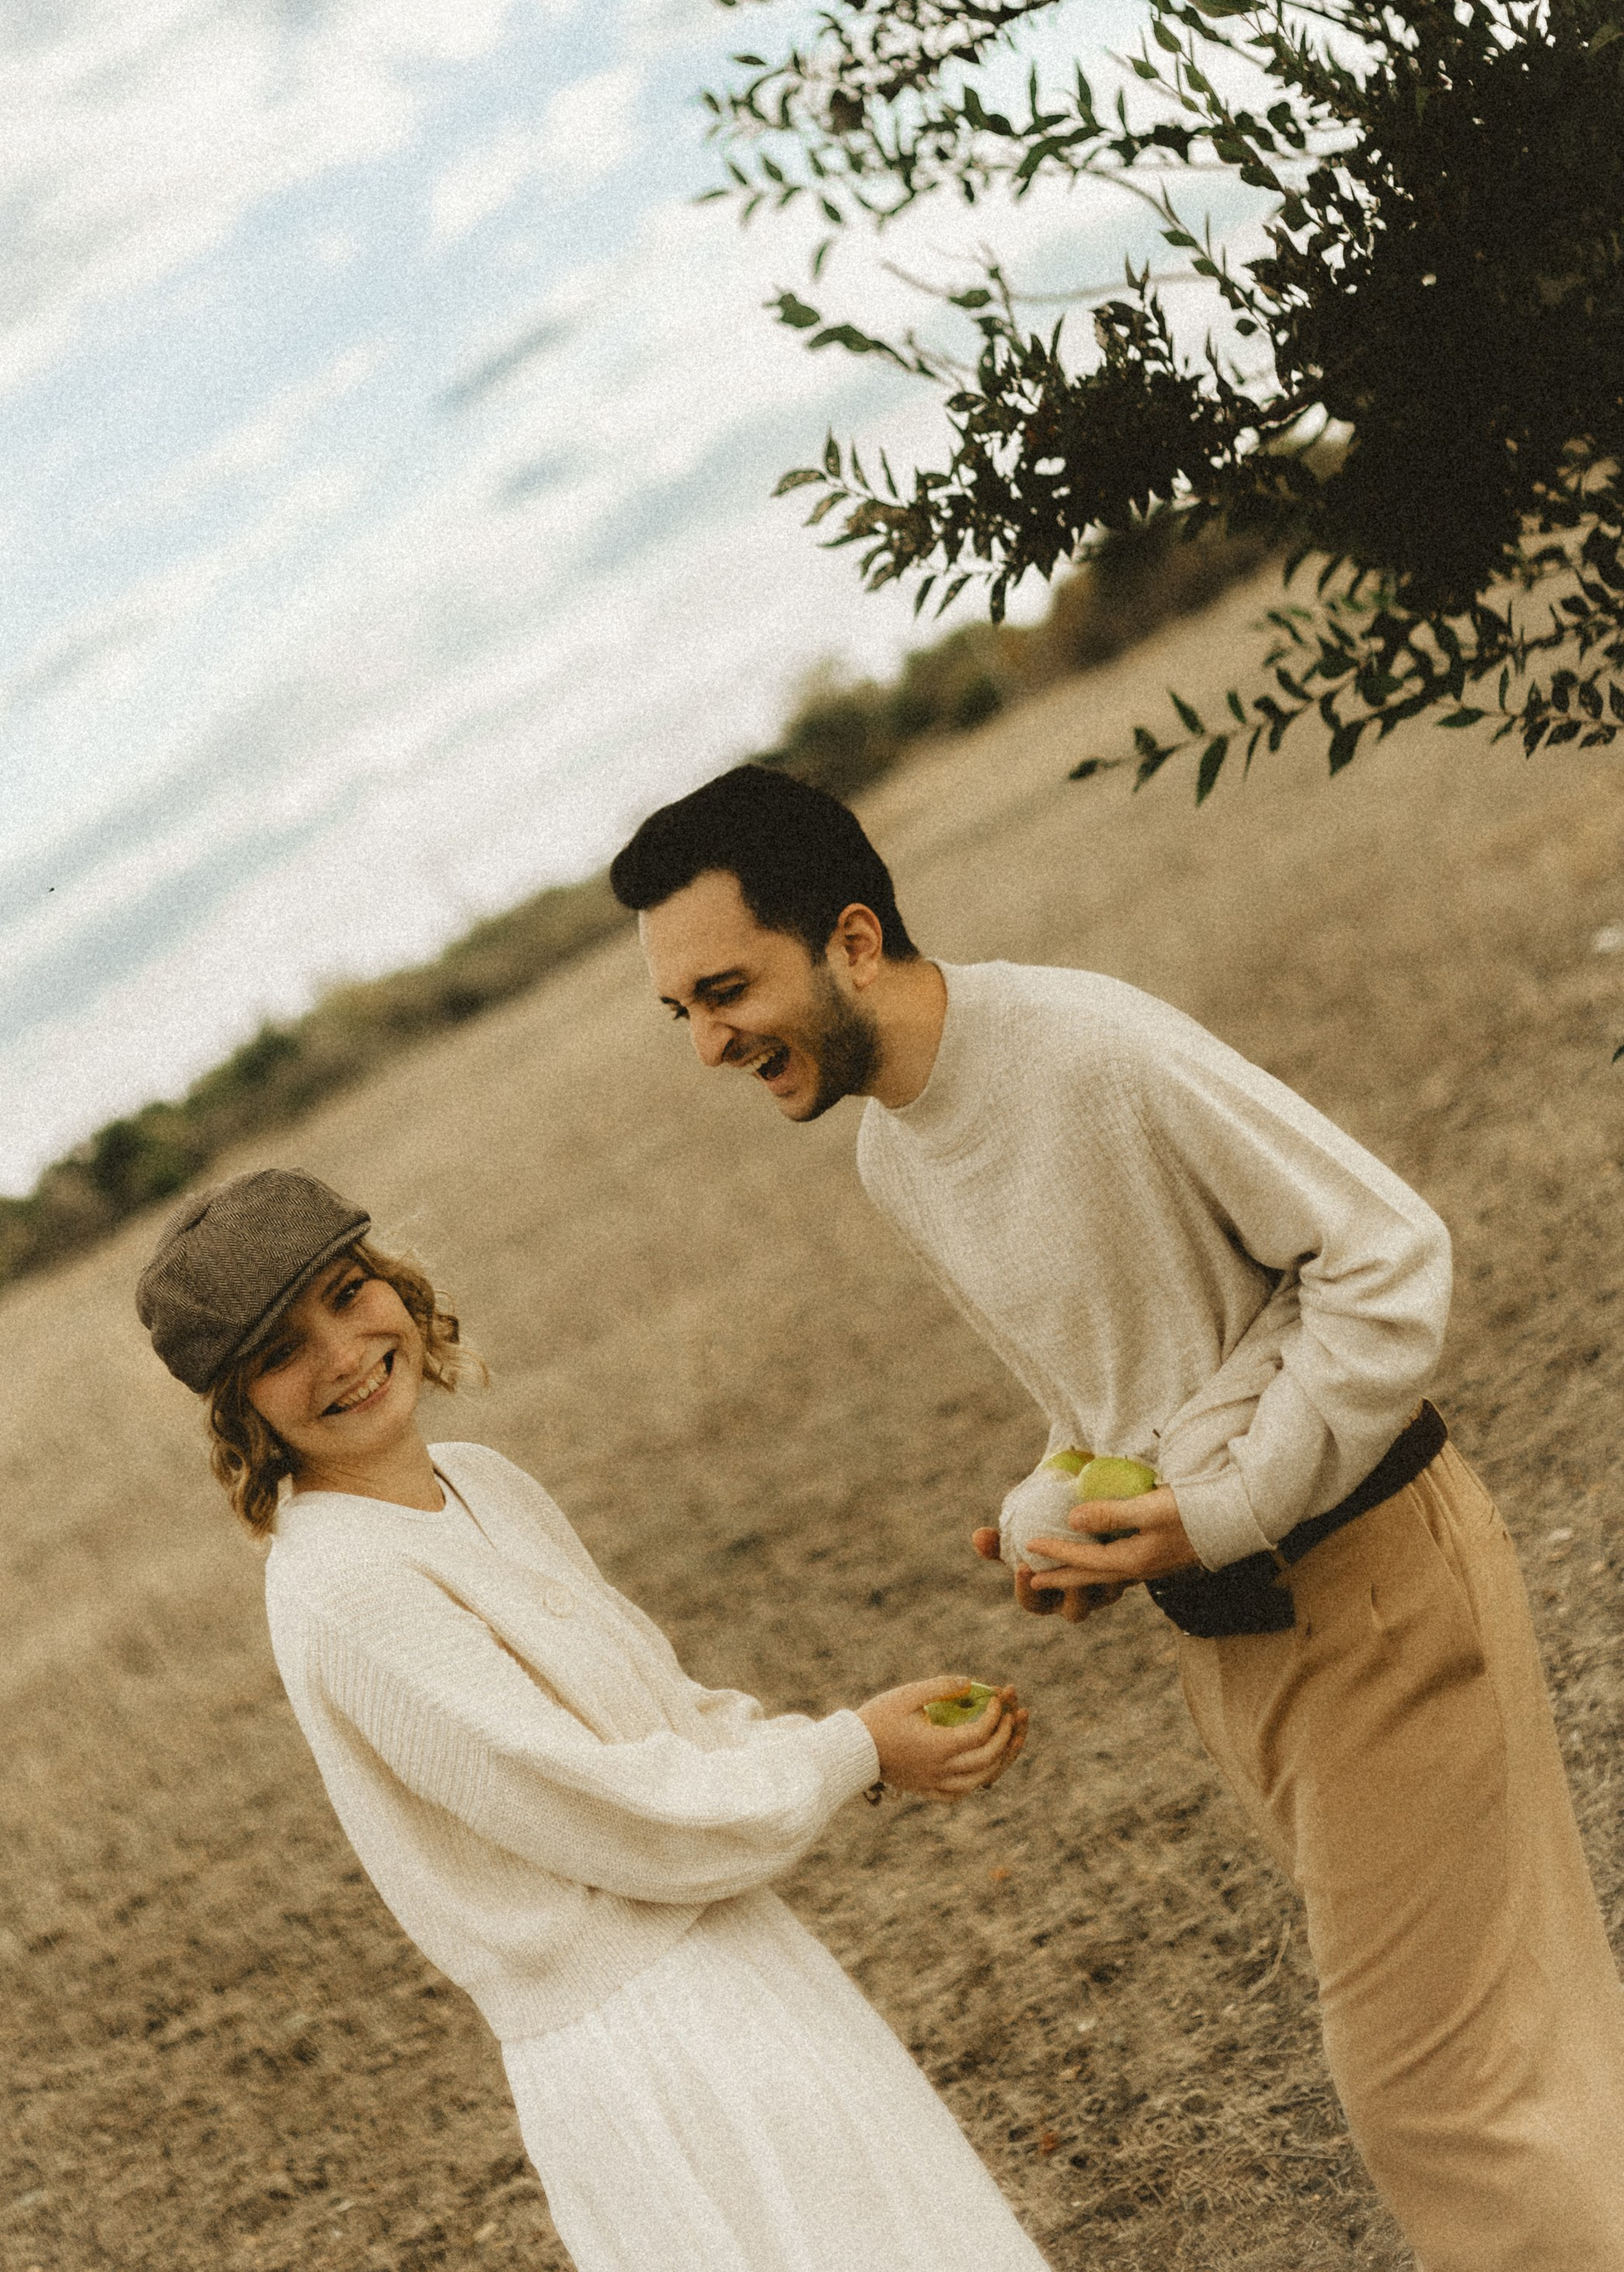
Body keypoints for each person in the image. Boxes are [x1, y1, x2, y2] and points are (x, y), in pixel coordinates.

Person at [608, 760, 1624, 2272]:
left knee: (1438, 2099)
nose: (704, 1043)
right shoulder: (898, 1155)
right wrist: (1062, 1520)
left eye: (724, 988)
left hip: (1378, 1583)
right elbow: (1111, 1403)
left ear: (855, 941)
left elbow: (1385, 1253)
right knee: (1528, 2054)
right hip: (1240, 1641)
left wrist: (1220, 1505)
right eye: (677, 1011)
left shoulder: (1086, 1043)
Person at [134, 1164, 1052, 2272]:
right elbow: (602, 1808)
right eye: (279, 1352)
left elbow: (663, 1719)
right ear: (239, 1410)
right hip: (648, 2038)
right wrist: (852, 1747)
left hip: (730, 1951)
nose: (339, 1353)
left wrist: (850, 1745)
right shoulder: (343, 1585)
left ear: (392, 1281)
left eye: (344, 1291)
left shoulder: (479, 1481)